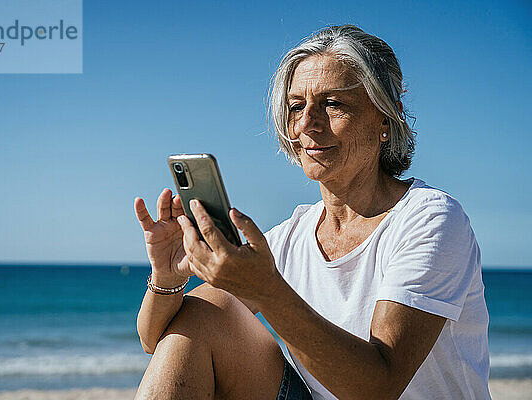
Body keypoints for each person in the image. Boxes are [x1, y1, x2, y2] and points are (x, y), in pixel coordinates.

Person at [133, 25, 490, 400]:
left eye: (333, 104)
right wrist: (167, 277)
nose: (307, 124)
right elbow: (155, 338)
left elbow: (379, 387)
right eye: (296, 107)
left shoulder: (431, 218)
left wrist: (265, 289)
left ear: (386, 119)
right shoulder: (293, 235)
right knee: (200, 319)